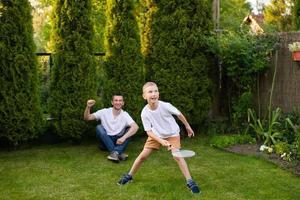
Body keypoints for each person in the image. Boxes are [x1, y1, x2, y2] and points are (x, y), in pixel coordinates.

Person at [118, 82, 201, 194]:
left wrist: (187, 126)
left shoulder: (165, 106)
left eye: (156, 91)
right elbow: (149, 131)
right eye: (150, 92)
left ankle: (190, 181)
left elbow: (179, 114)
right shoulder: (145, 112)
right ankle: (129, 176)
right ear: (144, 96)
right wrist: (161, 141)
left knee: (177, 156)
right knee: (143, 156)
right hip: (156, 135)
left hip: (172, 134)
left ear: (158, 93)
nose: (154, 94)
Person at [84, 95, 139, 162]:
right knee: (99, 127)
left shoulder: (125, 114)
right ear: (112, 102)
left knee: (130, 130)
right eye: (116, 100)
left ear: (123, 103)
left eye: (120, 100)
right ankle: (118, 152)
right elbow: (87, 118)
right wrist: (88, 107)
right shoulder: (104, 112)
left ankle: (115, 153)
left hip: (118, 142)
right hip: (105, 142)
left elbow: (135, 127)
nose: (118, 102)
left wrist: (123, 137)